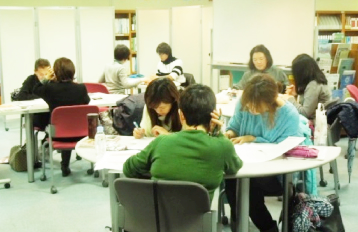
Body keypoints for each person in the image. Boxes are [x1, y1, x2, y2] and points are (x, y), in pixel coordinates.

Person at [124, 84, 243, 202]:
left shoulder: (161, 142)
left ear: (181, 115)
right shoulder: (223, 146)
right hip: (197, 218)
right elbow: (234, 168)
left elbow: (128, 168)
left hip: (158, 217)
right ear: (213, 115)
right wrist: (218, 133)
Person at [225, 74, 300, 232]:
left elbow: (286, 149)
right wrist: (230, 133)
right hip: (246, 164)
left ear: (271, 100)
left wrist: (254, 139)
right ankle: (242, 225)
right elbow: (234, 126)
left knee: (247, 183)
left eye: (256, 106)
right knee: (232, 177)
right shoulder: (244, 102)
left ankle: (265, 227)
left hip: (275, 174)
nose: (251, 109)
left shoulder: (289, 115)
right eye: (249, 105)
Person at [33, 57, 90, 177]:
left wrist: (46, 79)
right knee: (70, 125)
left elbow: (35, 90)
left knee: (64, 128)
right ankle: (66, 165)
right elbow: (87, 102)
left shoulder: (50, 89)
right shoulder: (81, 88)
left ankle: (65, 166)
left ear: (56, 72)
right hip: (81, 134)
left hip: (58, 135)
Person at [283, 54, 331, 119]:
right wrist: (295, 94)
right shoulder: (316, 81)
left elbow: (304, 113)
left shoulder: (313, 85)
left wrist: (290, 98)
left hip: (316, 124)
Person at [16, 58, 51, 130]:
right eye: (41, 74)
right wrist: (40, 98)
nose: (44, 77)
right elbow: (21, 96)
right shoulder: (31, 80)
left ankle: (47, 138)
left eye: (46, 74)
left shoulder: (51, 79)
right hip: (36, 114)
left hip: (49, 113)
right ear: (35, 72)